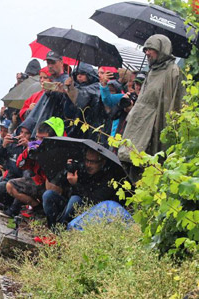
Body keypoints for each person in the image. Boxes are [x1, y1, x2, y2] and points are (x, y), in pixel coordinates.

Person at [118, 34, 184, 181]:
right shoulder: (151, 72)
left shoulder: (173, 72)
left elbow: (175, 104)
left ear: (162, 50)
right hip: (141, 128)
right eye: (145, 49)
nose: (147, 52)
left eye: (151, 49)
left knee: (154, 172)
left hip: (158, 128)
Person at [4, 117, 65, 217]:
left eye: (43, 139)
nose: (39, 141)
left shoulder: (61, 151)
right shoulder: (34, 145)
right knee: (10, 186)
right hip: (39, 182)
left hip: (53, 189)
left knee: (49, 189)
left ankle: (51, 216)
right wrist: (28, 152)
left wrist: (46, 155)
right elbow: (20, 165)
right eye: (37, 138)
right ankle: (37, 208)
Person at [42, 149, 119, 228]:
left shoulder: (108, 179)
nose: (88, 165)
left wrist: (75, 184)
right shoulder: (81, 168)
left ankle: (59, 229)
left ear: (102, 162)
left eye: (92, 162)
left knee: (75, 199)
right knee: (48, 195)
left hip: (88, 212)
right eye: (87, 160)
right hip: (68, 207)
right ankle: (52, 227)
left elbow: (93, 200)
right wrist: (67, 170)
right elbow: (57, 182)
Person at [0, 117, 36, 212]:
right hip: (9, 179)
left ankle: (14, 209)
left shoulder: (34, 146)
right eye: (21, 132)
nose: (22, 135)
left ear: (32, 135)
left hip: (24, 183)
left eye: (26, 133)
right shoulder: (13, 145)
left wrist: (28, 146)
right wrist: (3, 146)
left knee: (26, 175)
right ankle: (8, 204)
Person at [24, 51, 69, 136]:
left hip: (55, 129)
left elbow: (68, 106)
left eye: (53, 62)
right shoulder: (52, 80)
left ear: (61, 62)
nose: (50, 66)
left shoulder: (66, 81)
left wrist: (61, 92)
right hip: (46, 128)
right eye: (48, 63)